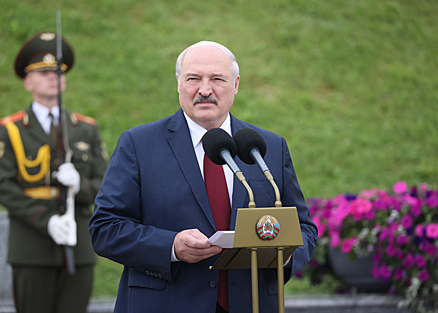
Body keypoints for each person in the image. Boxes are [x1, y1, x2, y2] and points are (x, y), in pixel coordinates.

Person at [89, 41, 317, 313]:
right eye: (193, 79)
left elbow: (304, 228)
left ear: (236, 85)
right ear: (178, 83)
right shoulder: (139, 145)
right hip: (166, 304)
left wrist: (285, 255)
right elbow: (105, 228)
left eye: (217, 79)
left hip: (251, 303)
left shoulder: (266, 147)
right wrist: (171, 246)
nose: (205, 90)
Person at [0, 32, 108, 313]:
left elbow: (105, 183)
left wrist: (80, 185)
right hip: (32, 248)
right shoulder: (11, 129)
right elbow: (2, 186)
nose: (53, 77)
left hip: (78, 246)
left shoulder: (85, 128)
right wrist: (47, 222)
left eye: (58, 71)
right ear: (28, 81)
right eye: (43, 72)